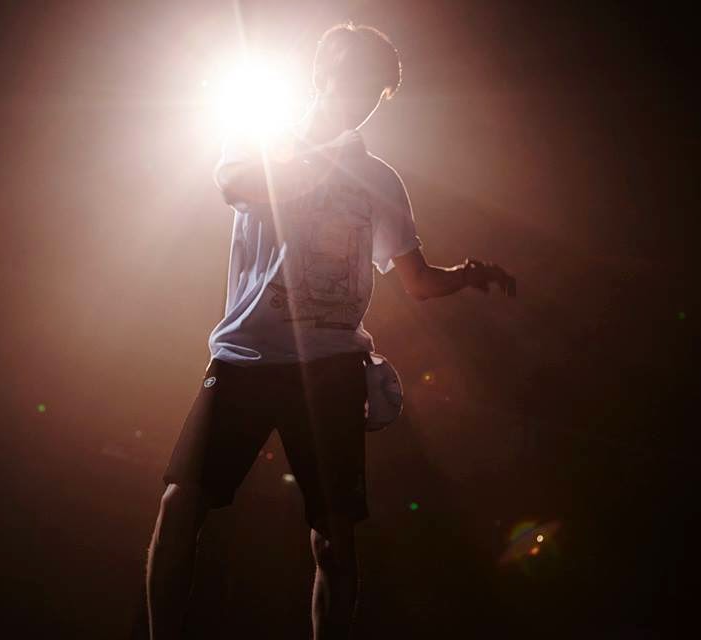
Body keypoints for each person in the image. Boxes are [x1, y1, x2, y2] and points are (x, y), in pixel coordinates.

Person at [145, 22, 515, 640]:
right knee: (180, 504)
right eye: (358, 83)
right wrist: (317, 159)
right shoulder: (258, 141)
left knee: (333, 539)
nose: (365, 100)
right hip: (246, 355)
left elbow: (418, 281)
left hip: (331, 365)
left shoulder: (381, 180)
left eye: (376, 92)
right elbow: (235, 184)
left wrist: (468, 275)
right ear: (323, 76)